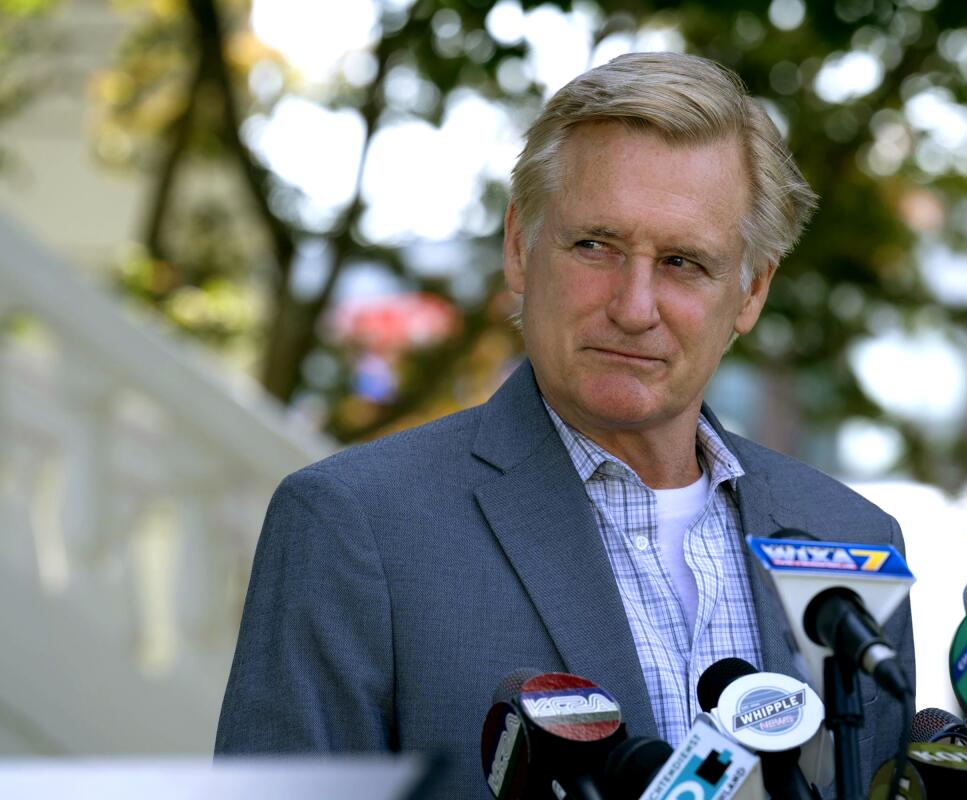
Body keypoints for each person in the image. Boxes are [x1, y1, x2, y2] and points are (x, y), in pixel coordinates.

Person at [215, 51, 915, 797]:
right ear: (519, 246)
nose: (634, 306)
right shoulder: (356, 527)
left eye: (683, 262)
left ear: (751, 290)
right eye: (595, 246)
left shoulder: (855, 539)